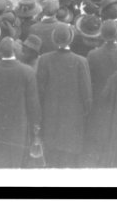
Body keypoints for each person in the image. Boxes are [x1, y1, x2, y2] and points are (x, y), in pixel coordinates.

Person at [35, 23, 92, 168]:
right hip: (73, 118)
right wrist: (86, 113)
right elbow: (86, 93)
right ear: (71, 39)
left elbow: (39, 91)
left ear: (54, 39)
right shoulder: (81, 61)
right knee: (70, 160)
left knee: (52, 159)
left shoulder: (44, 59)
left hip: (51, 116)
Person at [0, 37, 40, 168]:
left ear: (0, 51)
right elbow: (33, 103)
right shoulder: (27, 71)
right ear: (16, 51)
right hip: (19, 125)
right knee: (17, 160)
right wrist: (36, 125)